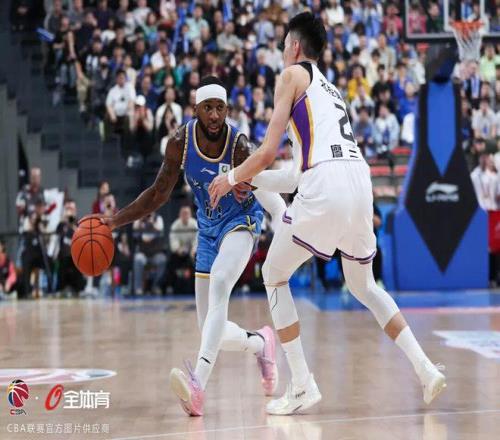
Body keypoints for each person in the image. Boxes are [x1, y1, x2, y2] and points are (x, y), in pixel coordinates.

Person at [209, 12, 446, 415]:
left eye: (283, 44)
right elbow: (295, 175)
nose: (282, 51)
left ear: (294, 46)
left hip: (327, 184)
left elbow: (267, 152)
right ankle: (425, 369)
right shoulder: (331, 91)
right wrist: (252, 180)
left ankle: (302, 384)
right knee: (365, 286)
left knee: (274, 274)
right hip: (358, 182)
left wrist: (230, 178)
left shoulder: (291, 76)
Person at [82, 76, 291, 416]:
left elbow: (270, 195)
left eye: (220, 108)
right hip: (207, 232)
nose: (215, 115)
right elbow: (157, 194)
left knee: (221, 283)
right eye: (208, 108)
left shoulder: (239, 146)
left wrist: (283, 225)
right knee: (211, 330)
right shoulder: (180, 143)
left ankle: (197, 386)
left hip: (242, 224)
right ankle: (260, 344)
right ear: (196, 109)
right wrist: (114, 221)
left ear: (227, 110)